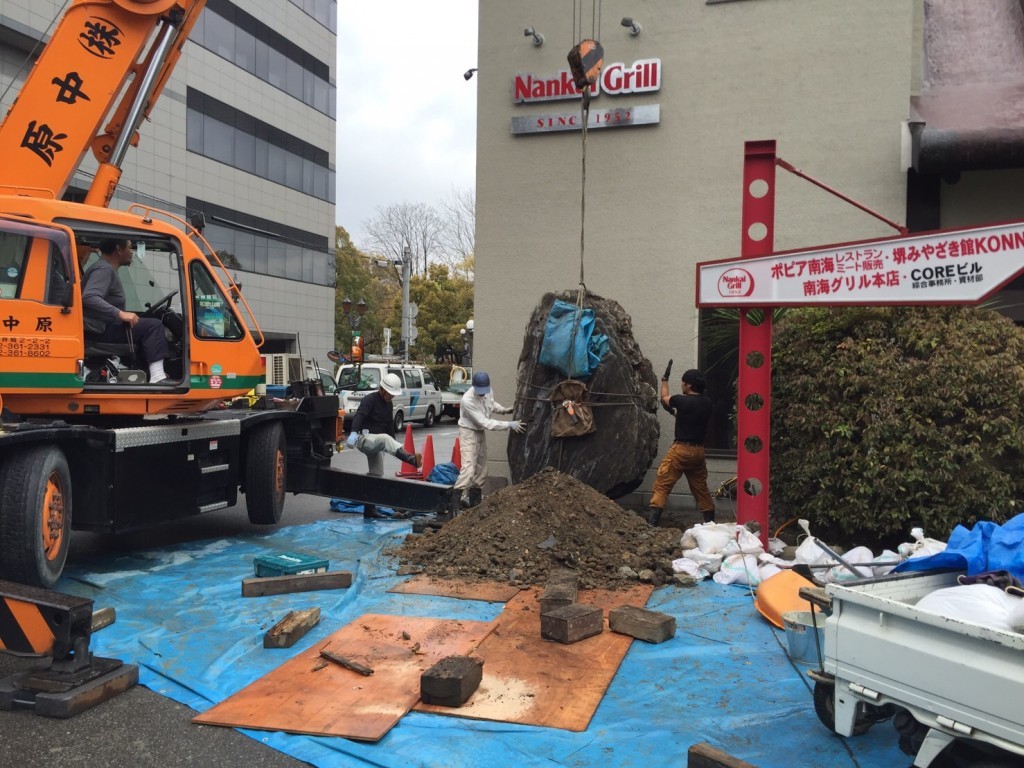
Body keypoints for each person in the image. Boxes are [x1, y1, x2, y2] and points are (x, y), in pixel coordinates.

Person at [82, 238, 172, 384]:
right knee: (153, 326)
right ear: (118, 250)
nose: (132, 252)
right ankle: (158, 376)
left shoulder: (103, 268)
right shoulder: (104, 269)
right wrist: (120, 313)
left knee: (145, 325)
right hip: (100, 330)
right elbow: (89, 296)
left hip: (100, 327)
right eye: (130, 248)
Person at [344, 372, 422, 519]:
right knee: (385, 439)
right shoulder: (370, 399)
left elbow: (388, 425)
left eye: (393, 394)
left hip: (378, 442)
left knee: (376, 475)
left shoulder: (388, 404)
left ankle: (369, 510)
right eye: (389, 393)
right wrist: (353, 433)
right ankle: (411, 460)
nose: (390, 397)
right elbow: (359, 415)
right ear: (382, 389)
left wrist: (394, 446)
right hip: (364, 438)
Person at [648, 368, 716, 526]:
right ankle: (710, 524)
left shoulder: (681, 400)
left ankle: (652, 523)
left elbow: (664, 397)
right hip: (698, 452)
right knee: (700, 488)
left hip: (681, 450)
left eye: (683, 383)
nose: (682, 385)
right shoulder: (707, 402)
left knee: (662, 482)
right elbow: (690, 416)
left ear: (690, 385)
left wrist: (665, 379)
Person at [454, 371, 524, 509]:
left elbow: (491, 404)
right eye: (479, 391)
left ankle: (474, 504)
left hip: (479, 432)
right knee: (468, 469)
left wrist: (505, 410)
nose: (482, 394)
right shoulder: (467, 400)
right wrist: (509, 425)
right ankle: (453, 504)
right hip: (468, 432)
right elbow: (485, 422)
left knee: (482, 471)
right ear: (474, 387)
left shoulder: (487, 391)